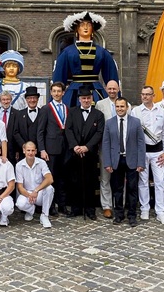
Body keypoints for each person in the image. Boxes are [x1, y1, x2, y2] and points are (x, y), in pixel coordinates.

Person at [52, 12, 120, 107]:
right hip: (73, 93)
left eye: (89, 25)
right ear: (76, 29)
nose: (85, 27)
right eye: (82, 25)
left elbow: (112, 77)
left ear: (93, 29)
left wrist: (118, 99)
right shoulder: (67, 52)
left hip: (97, 93)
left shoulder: (102, 52)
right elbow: (58, 78)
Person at [131, 85, 164, 224]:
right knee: (143, 181)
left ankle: (161, 211)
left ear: (153, 96)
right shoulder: (135, 111)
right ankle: (145, 209)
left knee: (160, 181)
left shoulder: (162, 111)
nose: (145, 96)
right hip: (142, 152)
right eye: (143, 94)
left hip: (158, 152)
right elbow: (132, 134)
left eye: (148, 94)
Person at [102, 97, 146, 226]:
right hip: (116, 160)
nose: (120, 109)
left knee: (132, 189)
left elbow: (140, 143)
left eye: (122, 106)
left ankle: (132, 215)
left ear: (127, 107)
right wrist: (108, 163)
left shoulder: (135, 122)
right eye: (117, 107)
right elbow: (106, 144)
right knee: (117, 189)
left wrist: (141, 162)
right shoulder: (109, 123)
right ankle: (119, 214)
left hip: (132, 159)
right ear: (115, 108)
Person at [64, 86, 105, 219]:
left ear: (92, 99)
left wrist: (87, 147)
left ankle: (90, 209)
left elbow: (99, 133)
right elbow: (68, 130)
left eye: (88, 98)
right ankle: (76, 208)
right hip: (75, 153)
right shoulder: (72, 112)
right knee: (75, 181)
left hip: (90, 153)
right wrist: (75, 146)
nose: (86, 100)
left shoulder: (98, 115)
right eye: (83, 98)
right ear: (79, 99)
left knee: (90, 181)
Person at [36, 82, 69, 215]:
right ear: (51, 93)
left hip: (64, 149)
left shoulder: (66, 108)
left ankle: (62, 204)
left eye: (59, 91)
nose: (56, 93)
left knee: (62, 178)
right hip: (50, 149)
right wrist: (42, 149)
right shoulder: (46, 108)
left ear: (63, 93)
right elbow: (40, 131)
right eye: (54, 91)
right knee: (51, 178)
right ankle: (50, 206)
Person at [94, 80, 120, 218]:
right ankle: (107, 206)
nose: (112, 91)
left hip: (121, 146)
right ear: (105, 89)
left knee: (120, 177)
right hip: (105, 145)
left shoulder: (125, 103)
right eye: (109, 89)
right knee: (105, 177)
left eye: (114, 89)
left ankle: (119, 204)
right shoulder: (100, 104)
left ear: (118, 89)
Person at [14, 141, 54, 228]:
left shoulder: (41, 162)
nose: (30, 153)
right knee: (20, 204)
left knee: (50, 188)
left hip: (39, 193)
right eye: (28, 150)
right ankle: (30, 210)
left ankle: (44, 215)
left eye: (32, 150)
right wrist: (29, 195)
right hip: (27, 193)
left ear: (36, 151)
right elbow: (20, 187)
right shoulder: (19, 165)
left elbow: (50, 179)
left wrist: (36, 190)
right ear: (24, 150)